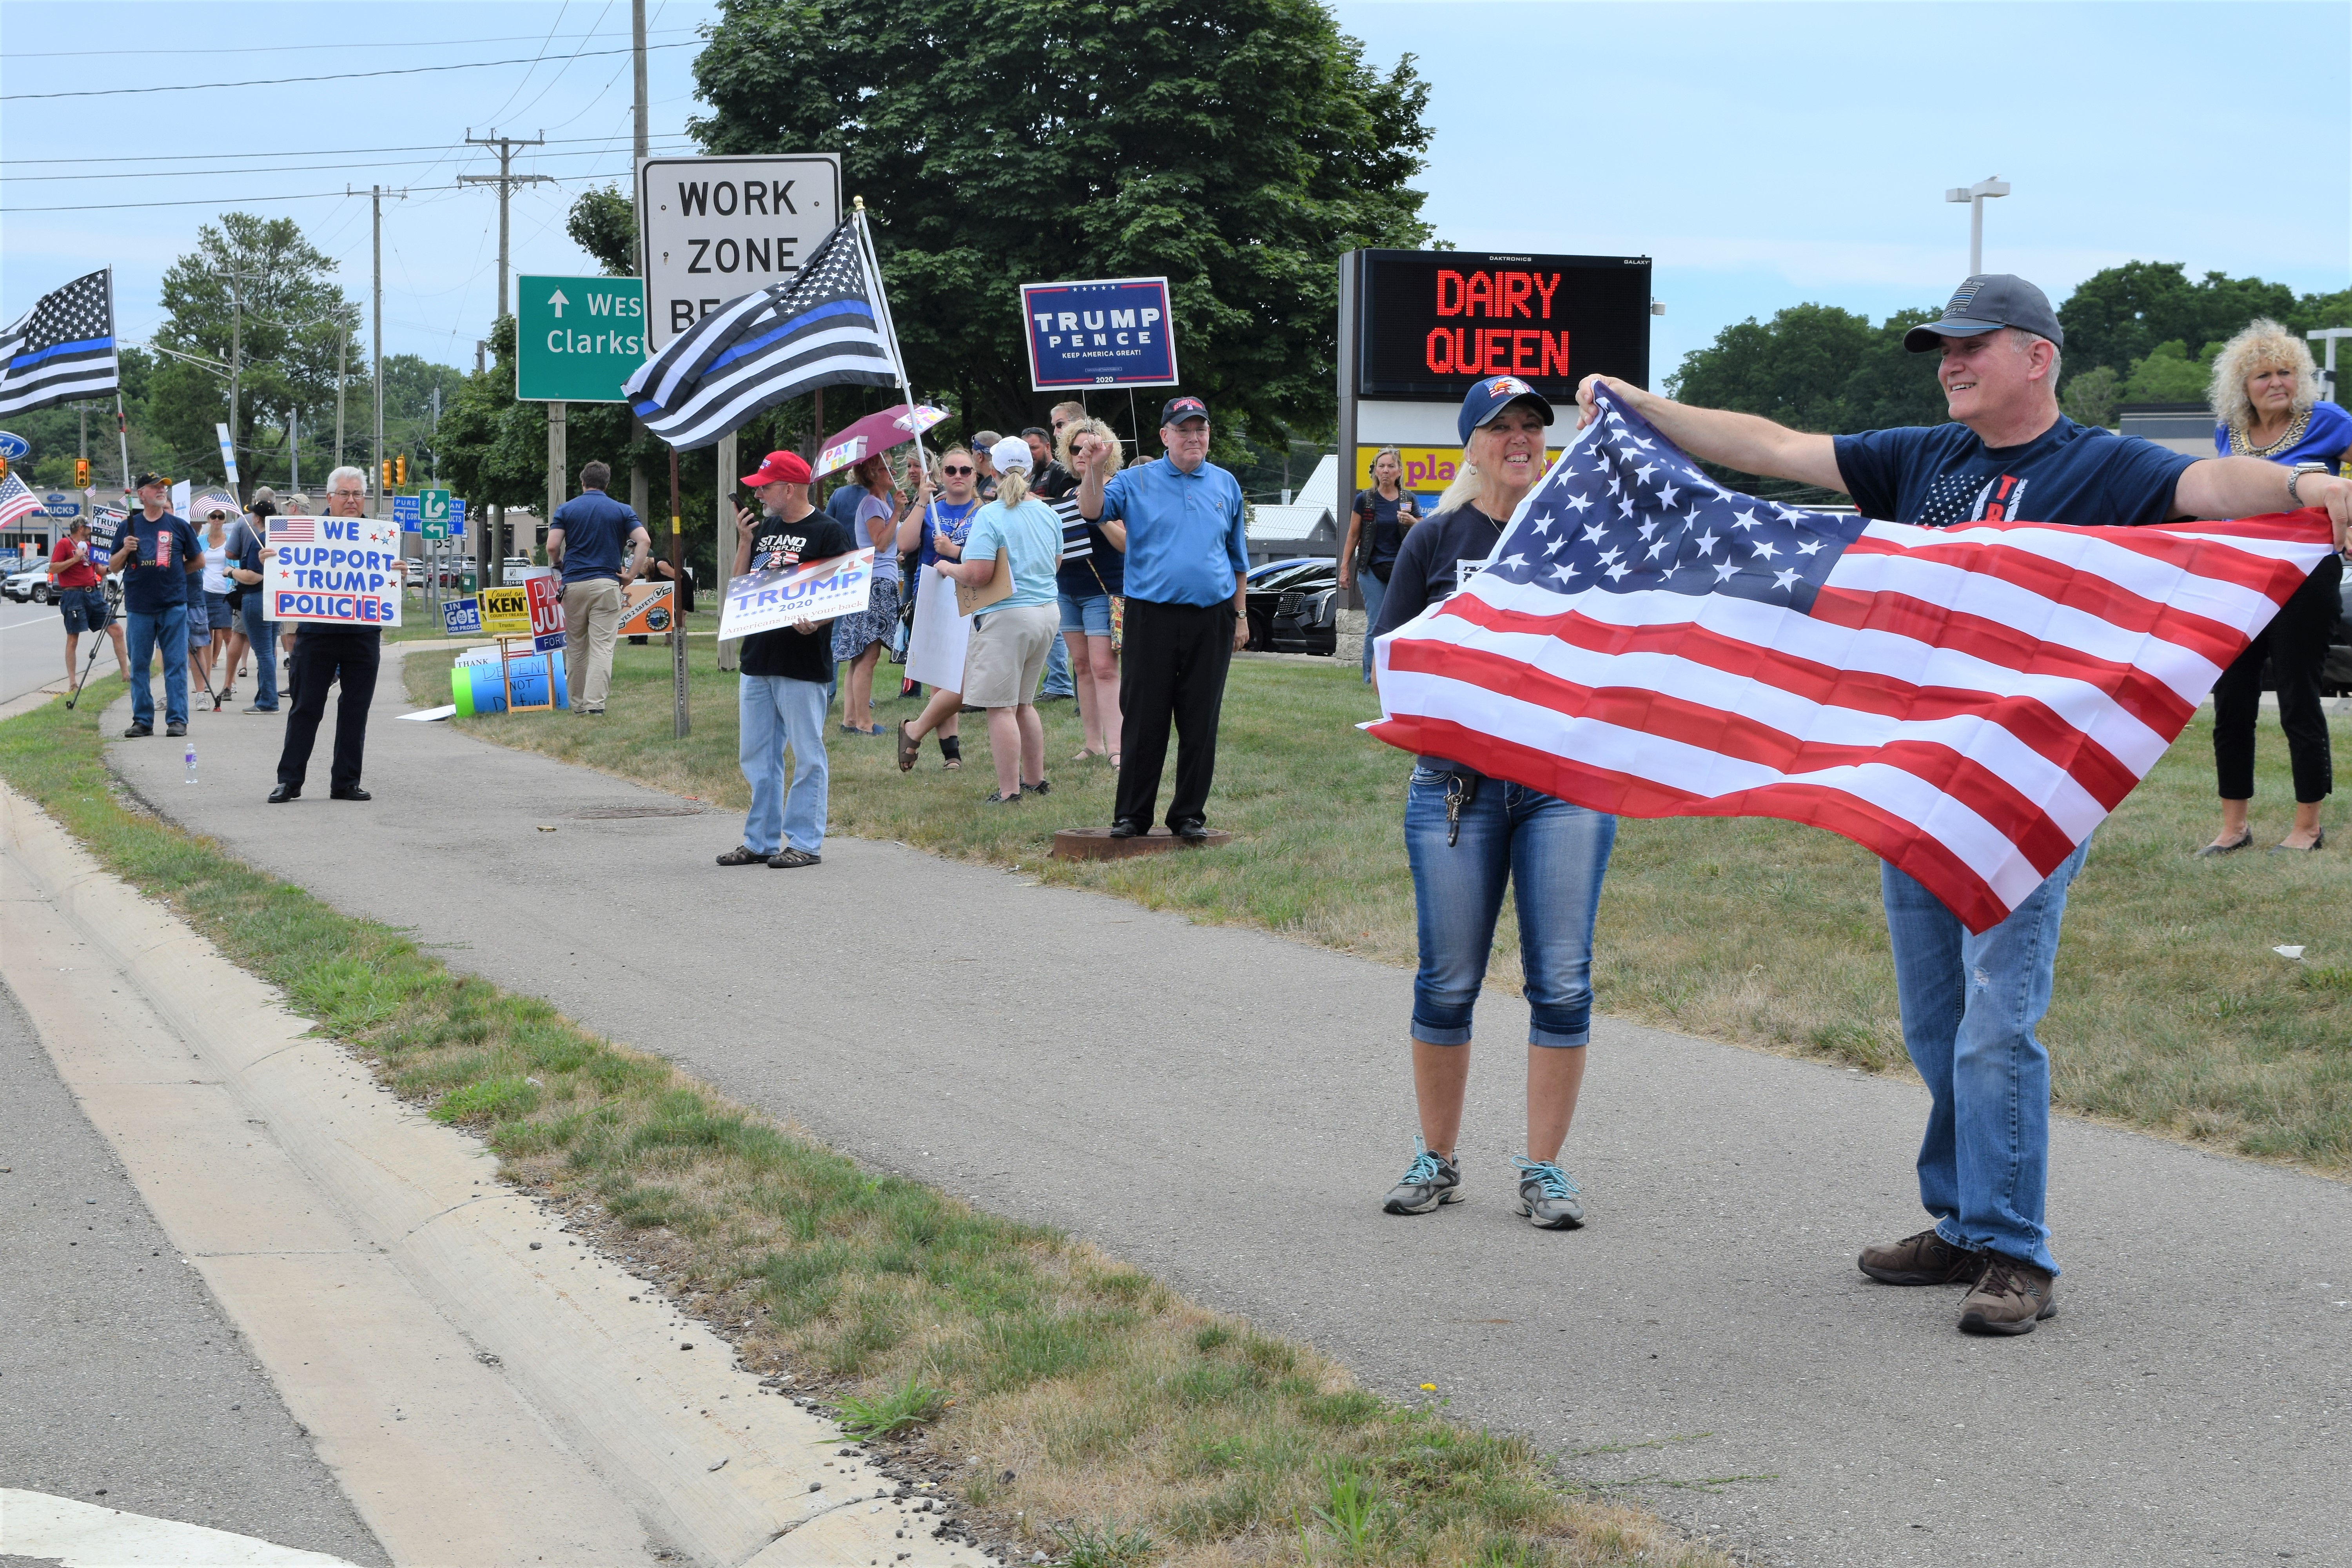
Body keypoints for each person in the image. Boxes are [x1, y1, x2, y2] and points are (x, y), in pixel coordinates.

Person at [1575, 273, 2352, 1335]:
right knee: (1937, 1021)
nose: (1949, 361)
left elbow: (2218, 490)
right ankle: (1962, 1225)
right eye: (1942, 346)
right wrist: (1643, 407)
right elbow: (1771, 446)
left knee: (1997, 1022)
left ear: (2036, 356)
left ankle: (2017, 1258)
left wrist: (2308, 493)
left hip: (2026, 790)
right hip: (1913, 778)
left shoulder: (2101, 465)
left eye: (1971, 345)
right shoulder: (1918, 457)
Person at [1371, 377, 1616, 1233]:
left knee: (1562, 980)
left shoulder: (1581, 536)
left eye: (1531, 426)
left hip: (1564, 787)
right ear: (1471, 446)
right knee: (1448, 980)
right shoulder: (1435, 538)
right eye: (1500, 426)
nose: (1518, 437)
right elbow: (1385, 660)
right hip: (1455, 788)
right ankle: (1435, 1159)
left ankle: (1545, 1171)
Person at [2198, 320, 2349, 855]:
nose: (2277, 382)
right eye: (2264, 374)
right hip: (2237, 576)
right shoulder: (2226, 431)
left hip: (2306, 577)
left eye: (2286, 371)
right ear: (2243, 383)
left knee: (2297, 699)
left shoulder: (2328, 421)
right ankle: (2233, 828)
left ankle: (2307, 827)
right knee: (2232, 700)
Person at [1074, 395, 1249, 841]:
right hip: (1151, 616)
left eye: (1201, 429)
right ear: (1165, 435)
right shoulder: (1136, 481)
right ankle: (1132, 815)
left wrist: (1241, 615)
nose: (1194, 437)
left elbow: (1237, 559)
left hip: (1212, 618)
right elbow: (1092, 511)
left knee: (1200, 719)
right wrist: (1094, 468)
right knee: (1145, 716)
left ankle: (1188, 814)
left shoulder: (1227, 484)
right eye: (1184, 429)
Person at [716, 450, 853, 870]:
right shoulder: (764, 529)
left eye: (766, 486)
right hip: (759, 655)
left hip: (803, 660)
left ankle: (805, 842)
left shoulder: (828, 531)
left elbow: (844, 593)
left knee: (807, 752)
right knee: (757, 754)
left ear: (789, 488)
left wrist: (819, 620)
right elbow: (739, 589)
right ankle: (759, 840)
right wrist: (744, 542)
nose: (758, 494)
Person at [925, 437, 1062, 802]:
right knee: (1025, 703)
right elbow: (1056, 565)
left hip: (1007, 616)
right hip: (1047, 613)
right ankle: (1035, 781)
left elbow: (979, 574)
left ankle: (1008, 792)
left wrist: (947, 567)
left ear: (992, 471)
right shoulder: (1048, 513)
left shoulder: (990, 514)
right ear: (1030, 471)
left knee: (1001, 708)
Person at [269, 467, 403, 803]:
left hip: (363, 635)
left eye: (357, 494)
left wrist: (398, 572)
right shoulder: (304, 530)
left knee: (356, 709)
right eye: (344, 494)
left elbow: (387, 586)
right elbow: (284, 562)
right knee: (306, 708)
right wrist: (269, 560)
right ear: (329, 498)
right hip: (316, 635)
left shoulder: (380, 536)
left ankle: (345, 782)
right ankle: (290, 781)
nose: (351, 500)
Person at [897, 446, 987, 770]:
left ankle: (913, 730)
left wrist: (955, 550)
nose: (958, 476)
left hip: (973, 595)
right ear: (941, 475)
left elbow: (993, 558)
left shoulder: (984, 511)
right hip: (932, 594)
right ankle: (952, 756)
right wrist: (922, 500)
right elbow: (904, 545)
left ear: (975, 475)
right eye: (951, 470)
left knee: (964, 682)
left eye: (965, 470)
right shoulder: (931, 508)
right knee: (940, 679)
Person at [101, 473, 203, 739]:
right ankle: (143, 721)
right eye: (155, 487)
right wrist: (125, 550)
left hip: (173, 605)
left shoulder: (179, 526)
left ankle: (178, 720)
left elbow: (198, 561)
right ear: (141, 495)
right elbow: (113, 567)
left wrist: (176, 573)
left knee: (176, 664)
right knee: (140, 666)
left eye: (163, 487)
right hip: (139, 607)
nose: (161, 491)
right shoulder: (128, 527)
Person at [547, 460, 651, 717]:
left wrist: (559, 563)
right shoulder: (622, 510)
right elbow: (644, 540)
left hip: (573, 584)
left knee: (577, 647)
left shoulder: (566, 509)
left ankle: (578, 706)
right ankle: (596, 705)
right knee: (602, 647)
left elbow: (552, 546)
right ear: (607, 484)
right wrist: (630, 575)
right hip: (606, 584)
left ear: (583, 482)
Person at [1051, 417, 1127, 764]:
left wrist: (1096, 513)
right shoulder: (1066, 492)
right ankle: (1093, 743)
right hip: (1067, 589)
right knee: (1081, 666)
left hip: (1104, 589)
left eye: (1089, 447)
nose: (1082, 454)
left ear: (1106, 451)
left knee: (1105, 669)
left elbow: (1126, 543)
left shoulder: (1117, 488)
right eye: (1074, 448)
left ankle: (1117, 747)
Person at [832, 453, 918, 734]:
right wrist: (896, 512)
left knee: (860, 655)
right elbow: (880, 544)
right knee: (869, 655)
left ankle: (850, 720)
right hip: (875, 582)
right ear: (871, 473)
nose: (892, 472)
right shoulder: (872, 503)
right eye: (886, 468)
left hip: (873, 580)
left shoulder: (878, 502)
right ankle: (864, 723)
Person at [1340, 446, 1421, 683]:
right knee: (1376, 623)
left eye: (1390, 467)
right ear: (1375, 470)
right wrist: (1345, 568)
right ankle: (1370, 677)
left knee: (1403, 622)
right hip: (1371, 569)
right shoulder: (1365, 499)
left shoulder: (1409, 499)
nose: (1385, 471)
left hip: (1402, 569)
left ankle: (1399, 674)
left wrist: (1412, 521)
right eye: (1381, 466)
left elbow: (1423, 531)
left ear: (1399, 471)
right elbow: (1353, 535)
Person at [49, 517, 128, 690]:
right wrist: (74, 560)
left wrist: (114, 567)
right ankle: (73, 683)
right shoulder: (64, 544)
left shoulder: (91, 546)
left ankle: (126, 675)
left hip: (93, 594)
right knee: (73, 638)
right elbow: (53, 568)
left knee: (117, 630)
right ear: (80, 528)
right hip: (73, 595)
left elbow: (99, 570)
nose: (90, 530)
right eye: (87, 527)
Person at [1028, 426, 1077, 700]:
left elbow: (1067, 505)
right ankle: (1055, 681)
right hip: (1043, 553)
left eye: (1034, 447)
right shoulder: (1032, 474)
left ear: (1047, 446)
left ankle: (1060, 684)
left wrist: (1035, 501)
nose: (1031, 453)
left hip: (1063, 553)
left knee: (1055, 625)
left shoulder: (1060, 471)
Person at [225, 499, 278, 713]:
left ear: (256, 518)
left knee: (264, 652)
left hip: (257, 598)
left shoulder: (260, 540)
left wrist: (230, 572)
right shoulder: (278, 540)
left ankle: (268, 701)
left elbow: (254, 576)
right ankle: (264, 695)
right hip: (275, 598)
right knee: (269, 651)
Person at [195, 507, 240, 706]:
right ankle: (206, 681)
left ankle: (231, 681)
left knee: (229, 635)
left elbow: (236, 563)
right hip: (204, 591)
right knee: (206, 637)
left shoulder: (230, 540)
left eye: (220, 517)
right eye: (213, 517)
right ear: (208, 519)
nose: (217, 520)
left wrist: (233, 578)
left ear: (224, 520)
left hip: (225, 592)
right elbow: (195, 562)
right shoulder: (201, 541)